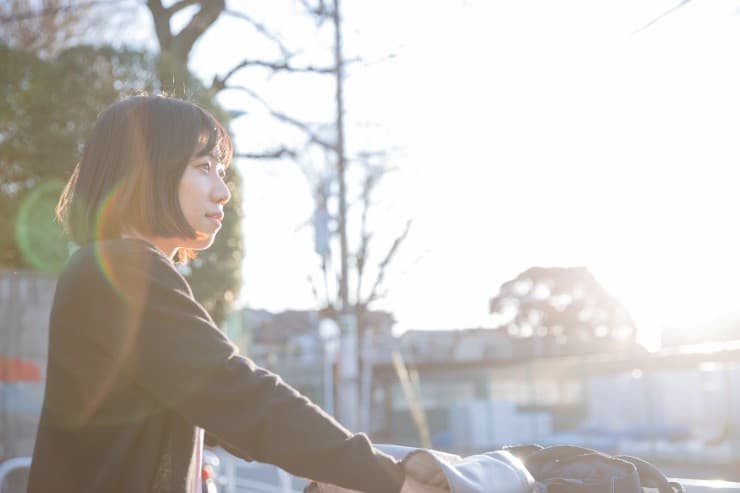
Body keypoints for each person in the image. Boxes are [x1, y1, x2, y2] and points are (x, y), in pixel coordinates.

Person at [27, 95, 443, 493]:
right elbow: (236, 392)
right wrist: (386, 478)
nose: (222, 191)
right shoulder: (119, 268)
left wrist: (341, 468)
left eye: (221, 172)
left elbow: (208, 403)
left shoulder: (108, 267)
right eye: (203, 166)